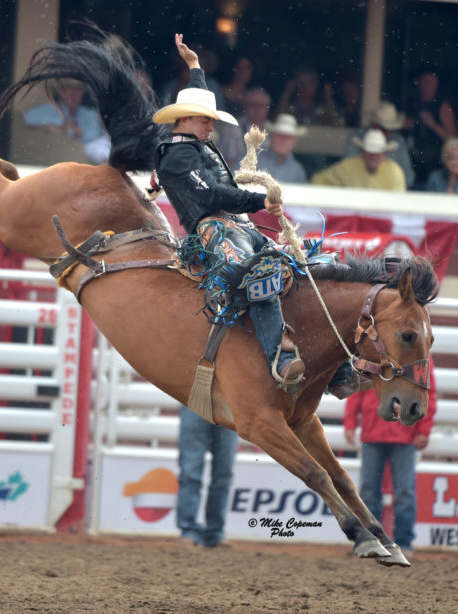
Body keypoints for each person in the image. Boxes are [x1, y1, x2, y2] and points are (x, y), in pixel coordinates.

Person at [153, 33, 305, 387]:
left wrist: (194, 67)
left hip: (235, 226)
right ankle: (280, 359)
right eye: (205, 120)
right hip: (211, 231)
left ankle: (335, 365)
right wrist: (259, 202)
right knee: (260, 274)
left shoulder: (192, 144)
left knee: (294, 266)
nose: (211, 125)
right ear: (186, 119)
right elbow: (213, 197)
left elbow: (220, 193)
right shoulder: (176, 158)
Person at [344, 364, 436, 553]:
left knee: (400, 491)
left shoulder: (416, 355)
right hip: (381, 433)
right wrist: (350, 422)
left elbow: (427, 392)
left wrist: (424, 430)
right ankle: (375, 542)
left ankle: (401, 543)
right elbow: (358, 387)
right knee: (378, 491)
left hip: (400, 434)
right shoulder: (376, 351)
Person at [176, 404, 238, 548]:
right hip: (201, 401)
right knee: (192, 472)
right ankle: (200, 532)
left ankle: (208, 532)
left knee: (222, 474)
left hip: (223, 404)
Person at [24, 79, 110, 164]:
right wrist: (63, 126)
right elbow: (29, 117)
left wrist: (68, 128)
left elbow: (92, 134)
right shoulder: (51, 109)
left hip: (89, 154)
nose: (75, 93)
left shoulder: (87, 112)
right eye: (70, 88)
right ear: (60, 91)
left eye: (78, 89)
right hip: (54, 160)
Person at [404, 67, 457, 188]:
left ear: (437, 84)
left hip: (434, 164)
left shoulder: (443, 106)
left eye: (430, 81)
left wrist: (433, 124)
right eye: (423, 80)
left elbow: (453, 139)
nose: (425, 84)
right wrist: (405, 125)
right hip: (411, 162)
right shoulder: (411, 103)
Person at [344, 101, 415, 188]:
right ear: (373, 124)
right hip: (358, 191)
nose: (388, 133)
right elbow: (348, 171)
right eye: (384, 129)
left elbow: (409, 178)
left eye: (391, 129)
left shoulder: (398, 141)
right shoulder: (357, 137)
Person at [311, 128, 406, 191]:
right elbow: (318, 180)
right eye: (369, 152)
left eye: (377, 153)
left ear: (384, 154)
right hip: (351, 218)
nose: (373, 156)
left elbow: (398, 204)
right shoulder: (348, 166)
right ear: (362, 152)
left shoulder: (395, 172)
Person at [257, 113, 308, 183]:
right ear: (271, 137)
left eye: (288, 137)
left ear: (294, 142)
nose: (283, 141)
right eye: (280, 136)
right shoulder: (250, 160)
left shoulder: (297, 170)